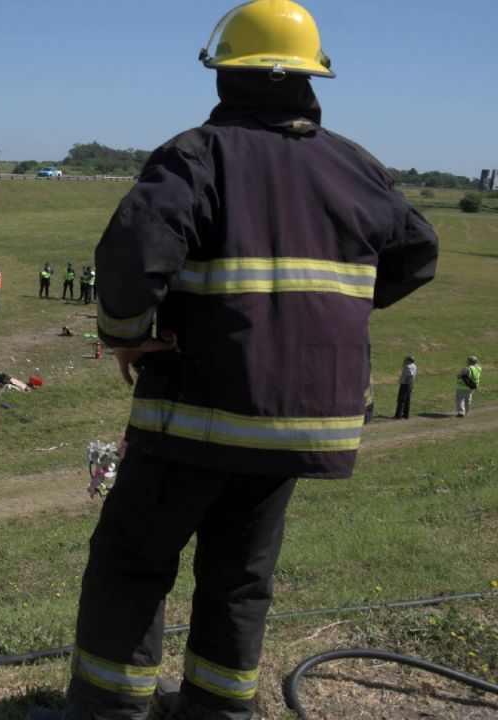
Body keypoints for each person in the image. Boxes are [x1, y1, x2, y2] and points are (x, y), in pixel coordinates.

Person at [30, 3, 439, 719]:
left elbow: (130, 255)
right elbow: (417, 253)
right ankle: (219, 710)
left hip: (199, 408)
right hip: (297, 425)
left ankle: (109, 711)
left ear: (223, 70)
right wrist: (323, 320)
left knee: (132, 561)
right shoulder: (357, 165)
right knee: (240, 575)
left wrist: (127, 331)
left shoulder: (199, 154)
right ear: (314, 78)